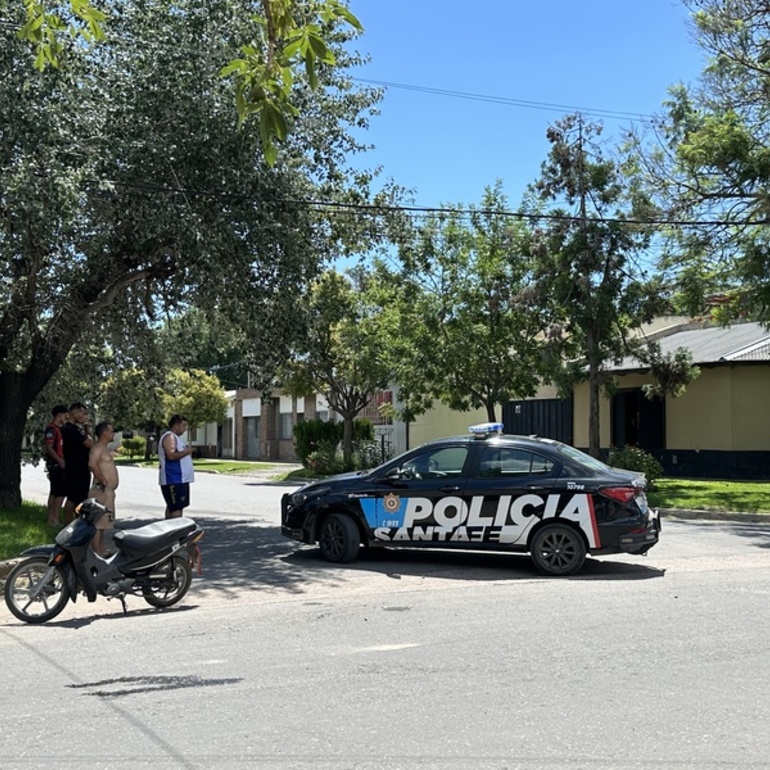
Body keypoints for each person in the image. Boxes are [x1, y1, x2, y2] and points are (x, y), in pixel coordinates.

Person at [88, 422, 119, 556]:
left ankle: (101, 548)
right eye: (111, 431)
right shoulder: (98, 448)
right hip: (100, 490)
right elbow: (91, 464)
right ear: (104, 433)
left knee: (104, 524)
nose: (113, 434)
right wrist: (104, 481)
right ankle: (97, 551)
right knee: (98, 523)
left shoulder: (105, 448)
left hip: (107, 492)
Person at [62, 402, 94, 524]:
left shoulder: (78, 429)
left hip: (82, 467)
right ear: (74, 412)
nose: (84, 416)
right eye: (82, 413)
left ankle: (78, 524)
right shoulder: (70, 429)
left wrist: (86, 428)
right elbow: (90, 444)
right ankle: (68, 524)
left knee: (81, 497)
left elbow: (89, 440)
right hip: (75, 468)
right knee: (73, 497)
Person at [158, 414, 195, 518]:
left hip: (180, 480)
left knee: (174, 507)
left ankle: (171, 531)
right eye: (183, 426)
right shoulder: (169, 437)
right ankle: (176, 531)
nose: (184, 429)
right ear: (177, 425)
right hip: (173, 479)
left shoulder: (175, 438)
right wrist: (186, 452)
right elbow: (171, 455)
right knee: (176, 508)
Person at [43, 405, 68, 526]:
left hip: (57, 464)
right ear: (58, 415)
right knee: (60, 492)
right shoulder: (51, 430)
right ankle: (54, 519)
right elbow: (49, 448)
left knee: (54, 492)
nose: (66, 418)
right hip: (55, 465)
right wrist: (59, 460)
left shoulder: (60, 429)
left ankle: (51, 518)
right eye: (64, 415)